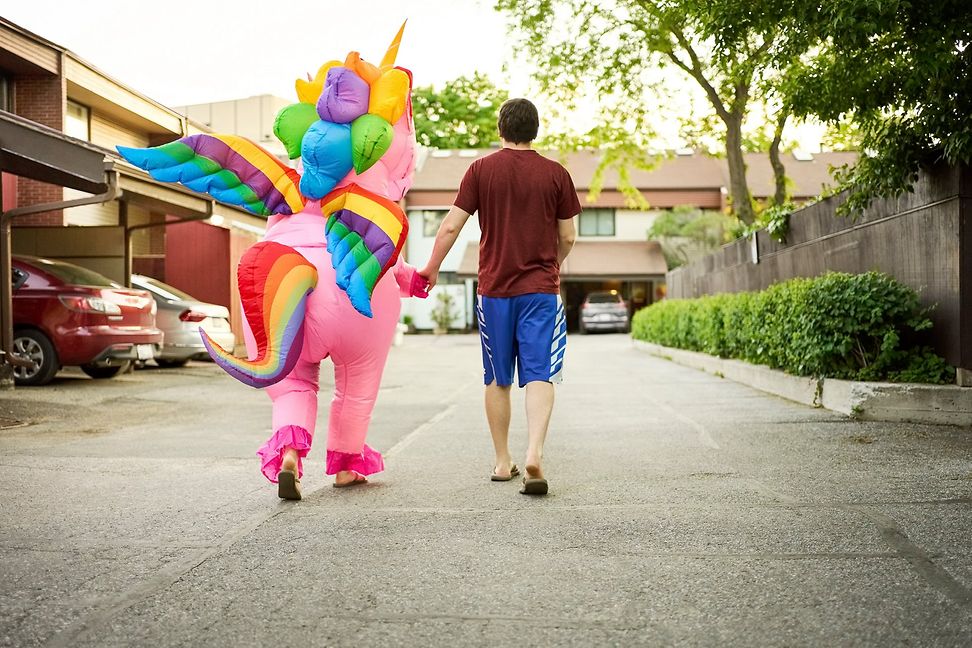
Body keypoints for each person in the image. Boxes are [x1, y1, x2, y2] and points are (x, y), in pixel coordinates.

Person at [419, 98, 580, 496]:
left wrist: (432, 267)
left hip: (494, 290)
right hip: (541, 291)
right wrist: (551, 267)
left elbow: (451, 227)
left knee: (497, 378)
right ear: (536, 130)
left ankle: (502, 459)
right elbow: (569, 236)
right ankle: (534, 453)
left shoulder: (480, 170)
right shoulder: (556, 174)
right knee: (540, 372)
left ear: (501, 130)